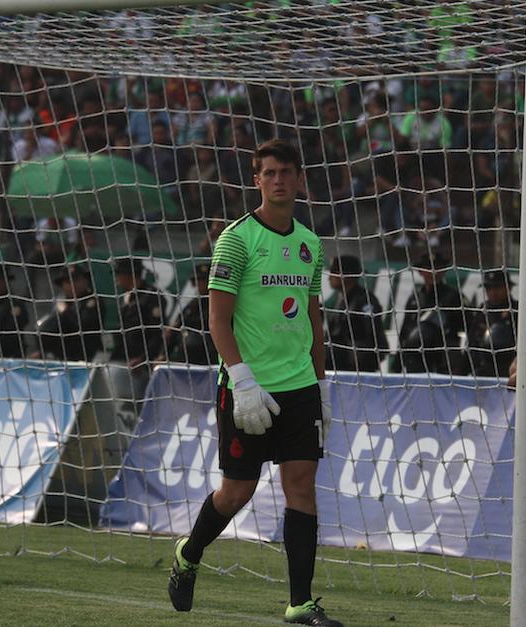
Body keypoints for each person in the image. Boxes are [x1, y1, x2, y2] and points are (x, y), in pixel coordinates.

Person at [168, 139, 342, 626]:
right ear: (257, 180)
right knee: (237, 492)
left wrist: (321, 386)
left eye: (286, 171)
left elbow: (313, 319)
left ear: (300, 179)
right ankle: (189, 552)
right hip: (247, 387)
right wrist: (242, 380)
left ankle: (300, 603)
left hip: (299, 386)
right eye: (270, 172)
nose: (278, 180)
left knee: (301, 486)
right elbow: (218, 320)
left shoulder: (310, 244)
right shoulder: (236, 239)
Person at [390, 250, 465, 374]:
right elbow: (405, 331)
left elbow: (468, 327)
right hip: (417, 358)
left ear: (444, 271)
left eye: (438, 268)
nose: (433, 272)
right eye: (428, 268)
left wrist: (460, 364)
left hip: (443, 360)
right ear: (420, 271)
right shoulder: (415, 298)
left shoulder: (454, 297)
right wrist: (397, 365)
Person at [323, 255, 388, 373]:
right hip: (338, 366)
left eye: (334, 273)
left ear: (346, 275)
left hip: (358, 368)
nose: (329, 278)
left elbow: (372, 335)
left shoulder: (365, 300)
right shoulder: (340, 300)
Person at [32, 263, 104, 362]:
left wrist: (65, 311)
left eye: (76, 280)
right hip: (62, 356)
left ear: (85, 280)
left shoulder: (93, 301)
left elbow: (82, 325)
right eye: (68, 282)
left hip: (87, 355)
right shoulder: (61, 301)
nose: (72, 285)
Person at [158, 262, 217, 365]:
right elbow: (176, 327)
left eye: (203, 280)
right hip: (186, 358)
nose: (200, 284)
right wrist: (164, 355)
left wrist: (182, 324)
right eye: (197, 280)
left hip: (208, 357)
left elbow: (205, 322)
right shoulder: (193, 304)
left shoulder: (216, 303)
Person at [464, 269, 518, 378]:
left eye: (498, 287)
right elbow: (471, 343)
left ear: (508, 288)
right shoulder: (482, 311)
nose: (493, 292)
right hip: (483, 371)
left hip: (508, 370)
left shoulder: (517, 310)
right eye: (488, 288)